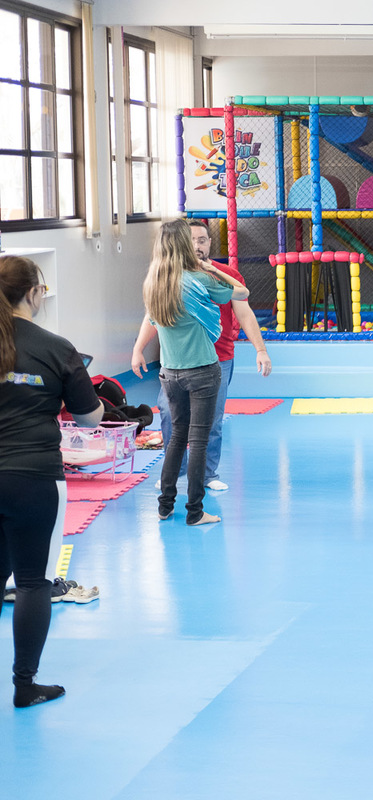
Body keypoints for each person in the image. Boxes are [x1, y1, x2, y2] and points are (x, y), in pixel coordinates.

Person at [0, 255, 104, 707]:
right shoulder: (56, 347)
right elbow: (90, 417)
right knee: (33, 582)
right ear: (33, 293)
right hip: (34, 478)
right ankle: (25, 685)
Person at [132, 220, 272, 492]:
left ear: (209, 243)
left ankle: (208, 474)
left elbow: (244, 311)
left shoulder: (222, 274)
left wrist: (261, 350)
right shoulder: (167, 277)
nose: (197, 245)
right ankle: (176, 472)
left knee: (212, 420)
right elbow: (153, 315)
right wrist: (138, 348)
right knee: (169, 415)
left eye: (202, 240)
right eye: (191, 240)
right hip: (177, 362)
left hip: (217, 359)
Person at [143, 219, 249, 526]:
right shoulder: (199, 279)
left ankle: (165, 506)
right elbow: (241, 292)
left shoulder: (154, 282)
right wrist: (213, 268)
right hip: (202, 370)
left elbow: (152, 322)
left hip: (169, 372)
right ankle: (195, 511)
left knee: (177, 437)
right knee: (199, 440)